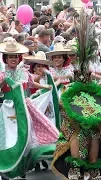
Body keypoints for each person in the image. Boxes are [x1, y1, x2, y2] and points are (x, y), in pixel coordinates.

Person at [51, 8, 101, 180]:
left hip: (92, 122)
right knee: (78, 135)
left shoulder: (93, 86)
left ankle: (93, 169)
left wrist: (94, 115)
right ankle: (75, 168)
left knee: (94, 135)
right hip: (75, 124)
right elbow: (64, 107)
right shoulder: (69, 88)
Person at [0, 38, 58, 179]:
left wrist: (47, 87)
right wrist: (3, 84)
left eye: (15, 56)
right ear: (5, 59)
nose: (13, 59)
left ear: (19, 58)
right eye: (10, 57)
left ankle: (22, 167)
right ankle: (7, 169)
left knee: (28, 137)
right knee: (11, 139)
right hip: (9, 110)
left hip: (25, 109)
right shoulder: (2, 74)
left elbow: (31, 84)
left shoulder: (24, 73)